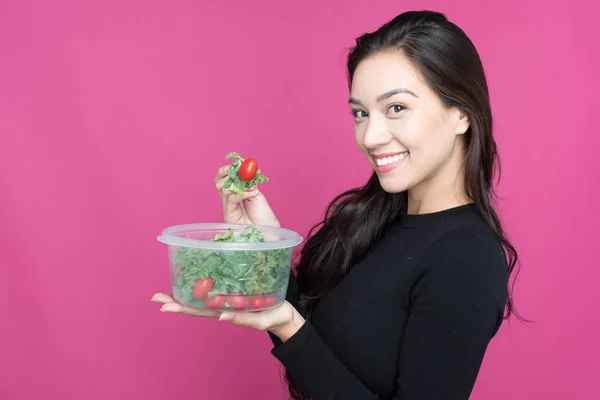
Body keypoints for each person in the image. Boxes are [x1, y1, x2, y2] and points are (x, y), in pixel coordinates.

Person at [152, 9, 521, 400]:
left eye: (396, 107)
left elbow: (301, 335)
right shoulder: (378, 220)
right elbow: (319, 341)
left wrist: (289, 328)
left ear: (461, 112)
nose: (371, 136)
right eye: (360, 113)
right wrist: (265, 243)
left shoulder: (467, 259)